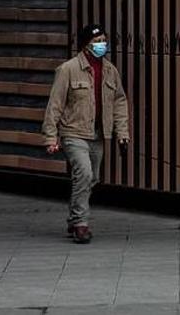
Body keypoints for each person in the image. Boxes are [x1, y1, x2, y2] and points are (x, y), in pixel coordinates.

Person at [41, 24, 130, 244]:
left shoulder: (110, 70)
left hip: (98, 134)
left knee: (92, 178)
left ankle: (73, 219)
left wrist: (123, 133)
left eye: (104, 40)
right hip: (73, 132)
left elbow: (119, 101)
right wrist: (51, 137)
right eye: (97, 41)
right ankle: (81, 224)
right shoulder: (68, 70)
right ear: (85, 45)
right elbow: (55, 105)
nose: (102, 44)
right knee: (84, 173)